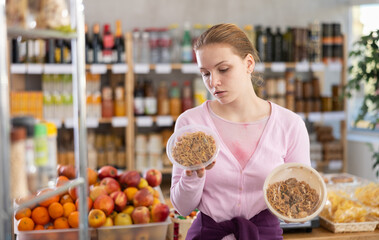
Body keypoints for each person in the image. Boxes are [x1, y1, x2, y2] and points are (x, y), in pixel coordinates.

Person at [170, 23, 311, 240]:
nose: (213, 82)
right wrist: (193, 175)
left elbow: (300, 205)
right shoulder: (191, 124)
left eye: (223, 69)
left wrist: (301, 203)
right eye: (205, 73)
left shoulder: (289, 124)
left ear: (248, 63)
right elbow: (181, 207)